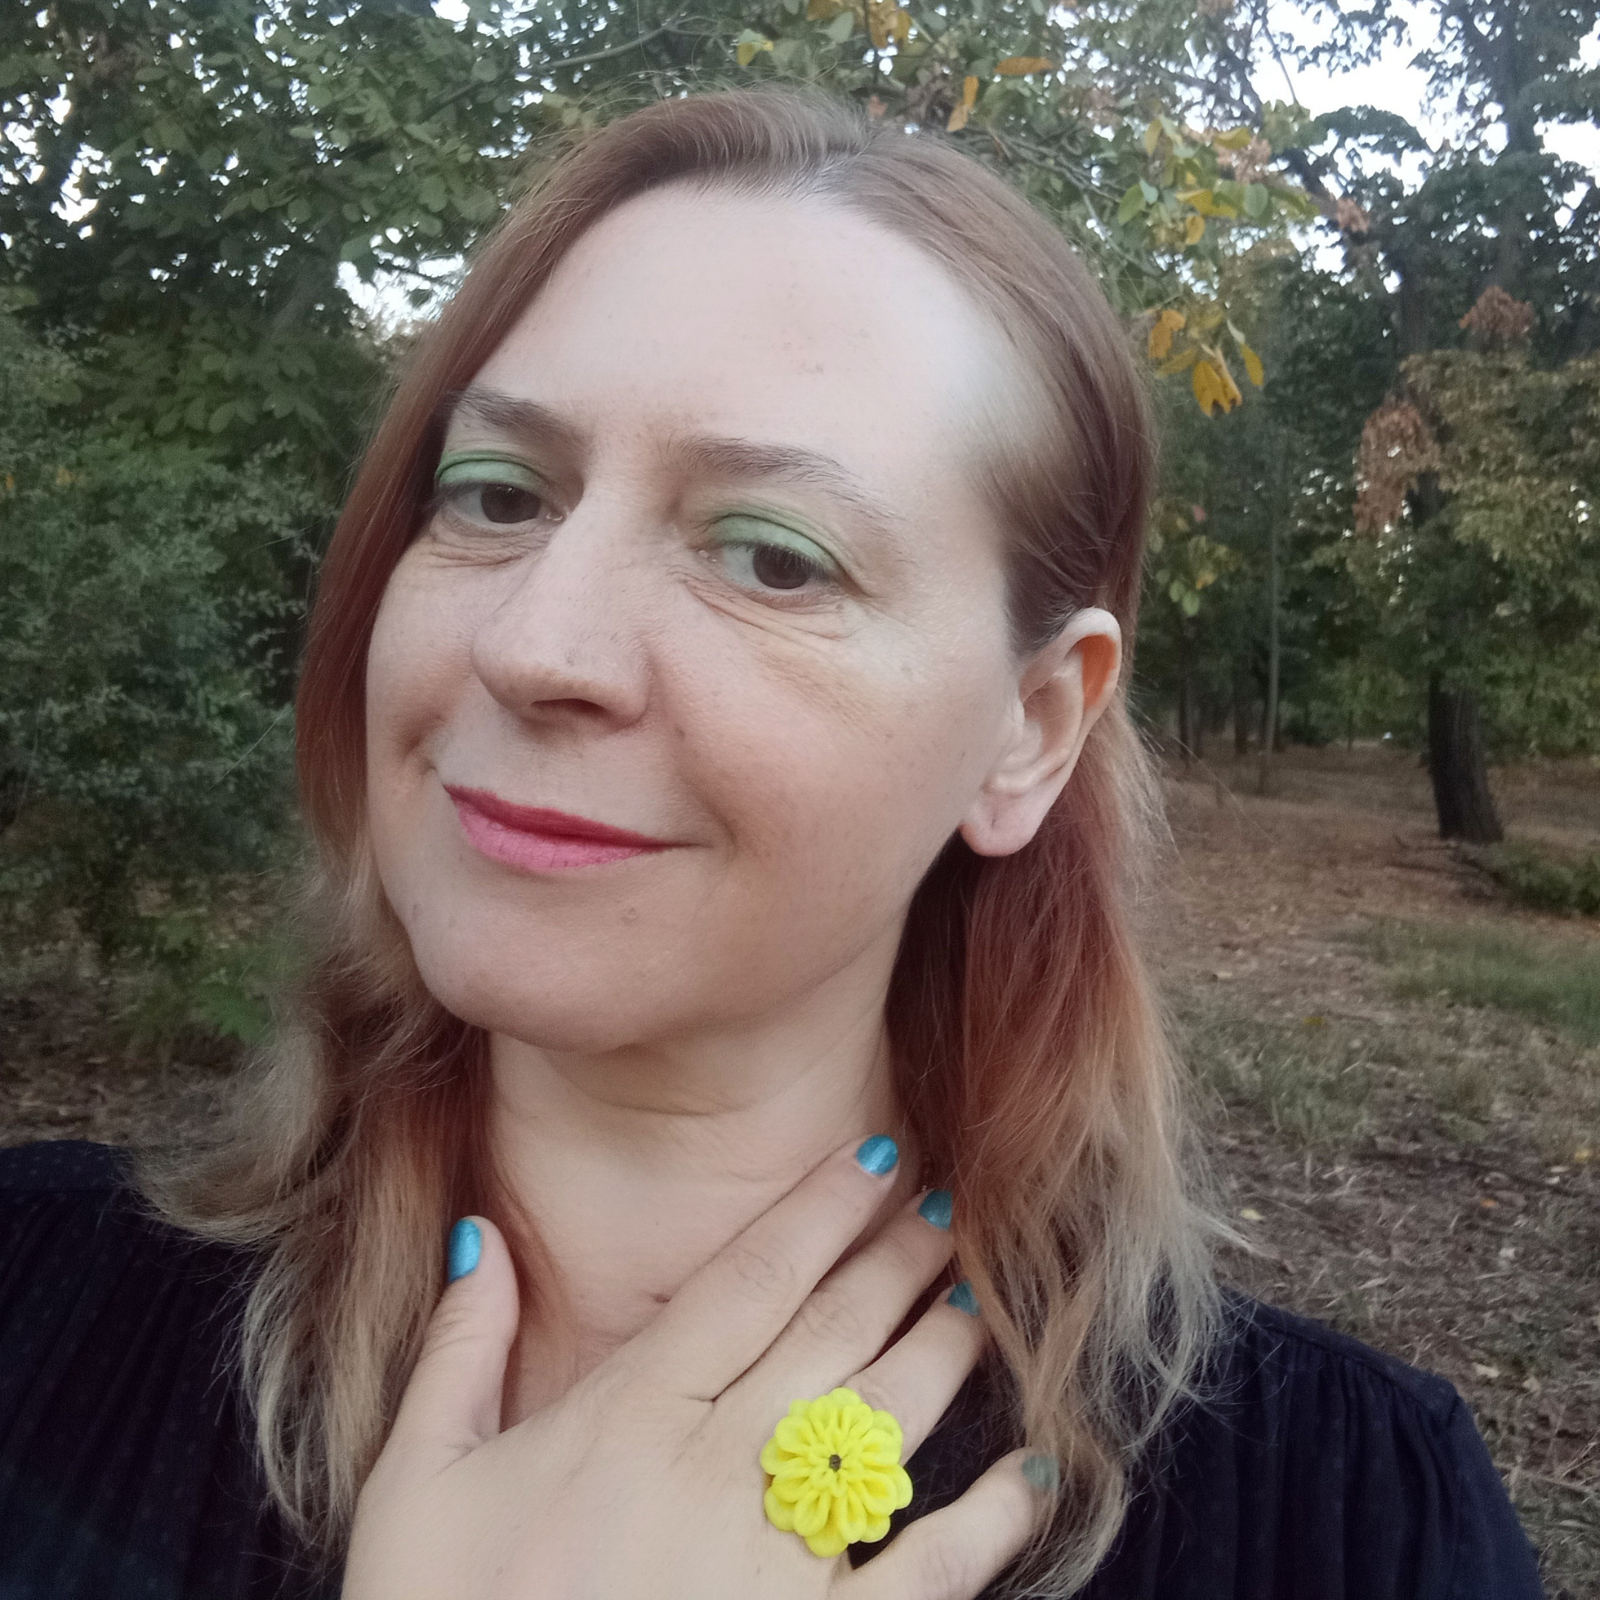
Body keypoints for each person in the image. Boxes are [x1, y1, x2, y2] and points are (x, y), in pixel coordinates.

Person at [0, 88, 1543, 1600]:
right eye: (498, 494)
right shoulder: (31, 1307)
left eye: (771, 558)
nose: (536, 645)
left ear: (1030, 729)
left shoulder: (1354, 1531)